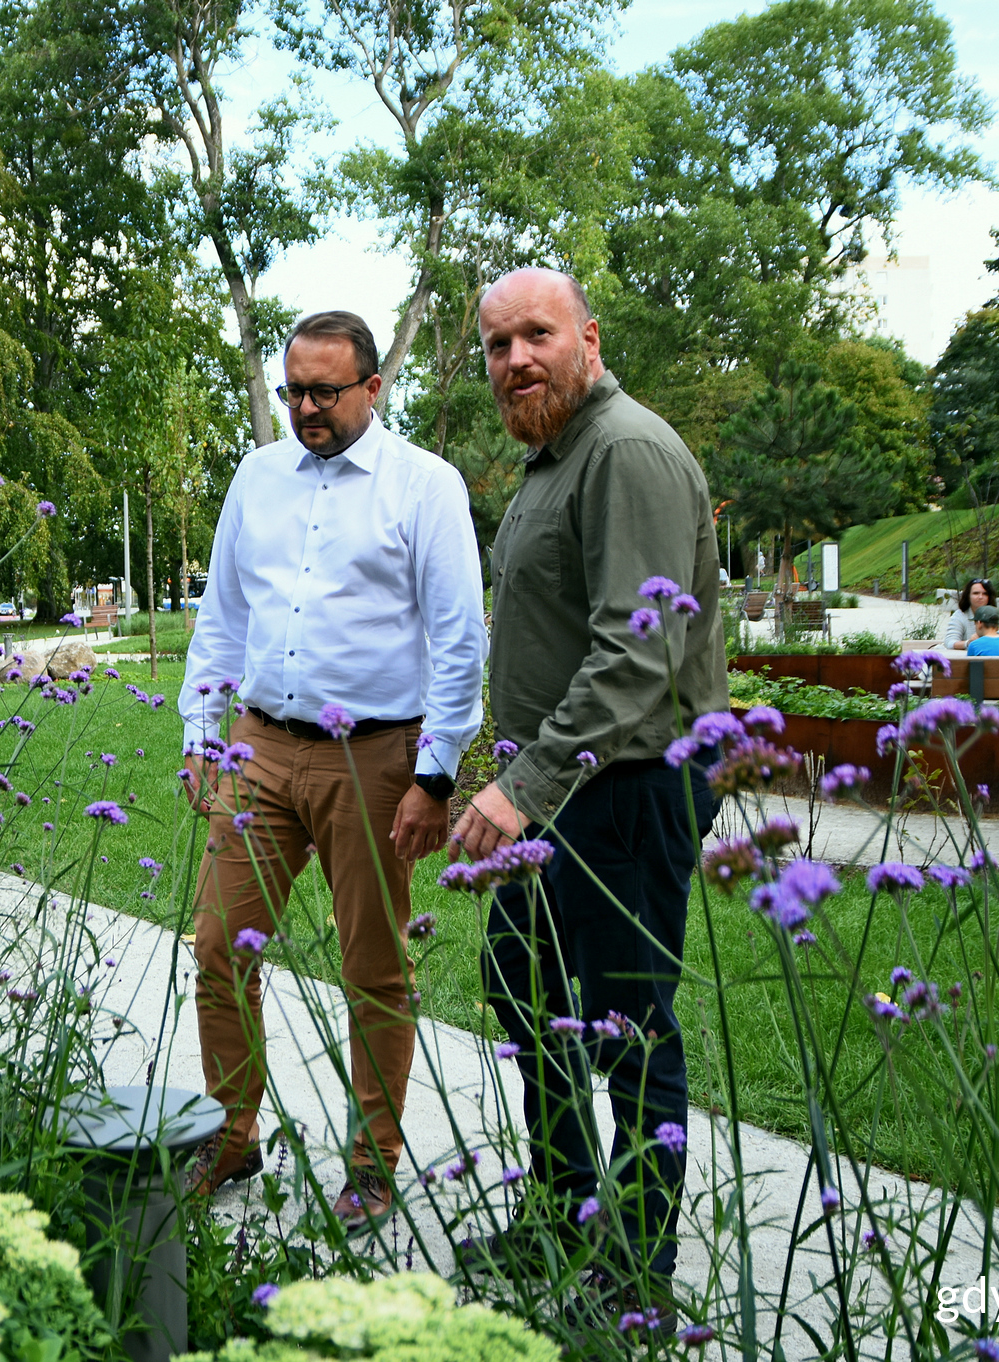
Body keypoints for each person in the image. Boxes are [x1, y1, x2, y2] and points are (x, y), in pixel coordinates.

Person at [448, 268, 726, 1304]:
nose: (513, 360)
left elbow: (633, 657)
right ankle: (564, 1219)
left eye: (535, 336)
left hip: (624, 787)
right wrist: (500, 779)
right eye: (494, 345)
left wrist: (518, 788)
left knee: (626, 1029)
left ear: (588, 340)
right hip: (555, 790)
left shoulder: (627, 452)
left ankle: (637, 1275)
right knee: (525, 997)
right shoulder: (547, 459)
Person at [178, 309, 485, 1231]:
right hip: (261, 749)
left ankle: (372, 1162)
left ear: (373, 387)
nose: (307, 408)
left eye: (325, 392)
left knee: (375, 972)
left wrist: (436, 776)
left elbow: (460, 638)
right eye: (294, 391)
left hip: (377, 760)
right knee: (218, 949)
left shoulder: (424, 486)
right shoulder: (258, 477)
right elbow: (223, 614)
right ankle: (233, 1133)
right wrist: (202, 733)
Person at [943, 579, 995, 650]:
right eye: (976, 593)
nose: (980, 597)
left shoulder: (998, 616)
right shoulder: (959, 615)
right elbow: (949, 642)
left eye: (985, 594)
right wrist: (968, 643)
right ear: (968, 596)